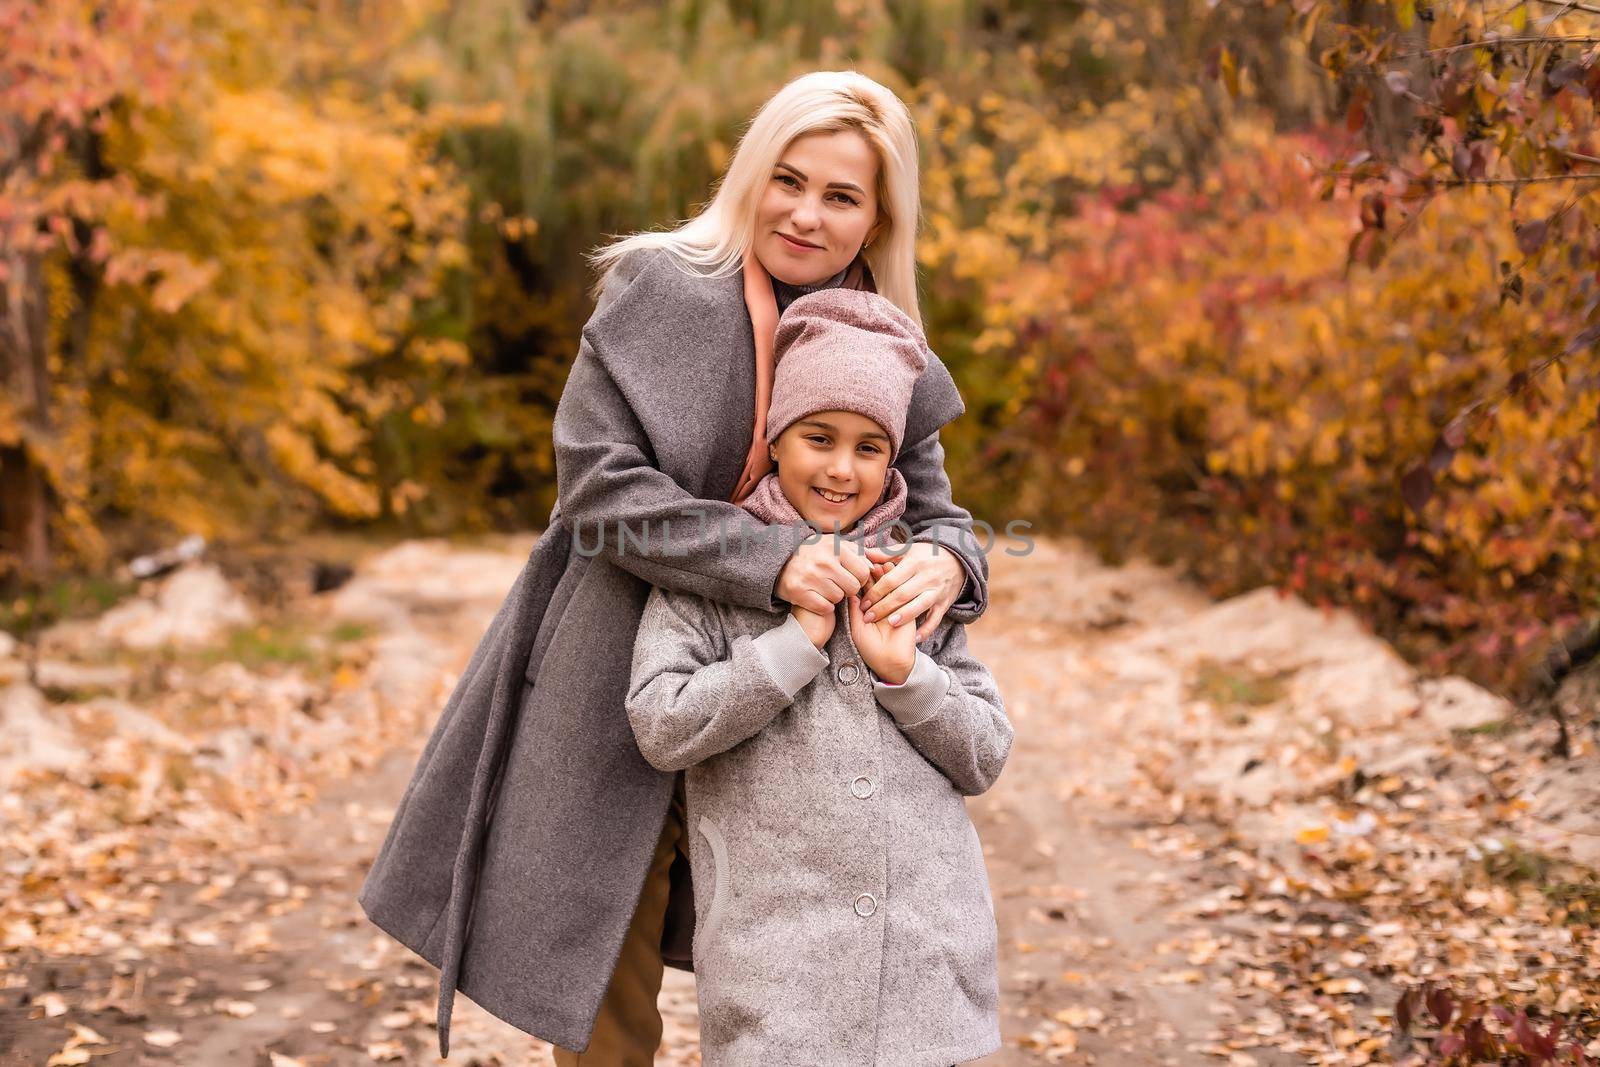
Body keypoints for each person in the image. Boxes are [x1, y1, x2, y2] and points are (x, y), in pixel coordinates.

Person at [357, 69, 992, 1063]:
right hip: (616, 680)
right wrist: (780, 561)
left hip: (797, 723)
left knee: (793, 998)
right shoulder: (662, 284)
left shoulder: (881, 331)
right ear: (752, 173)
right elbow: (599, 492)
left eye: (841, 196)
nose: (806, 214)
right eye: (789, 179)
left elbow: (939, 509)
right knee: (605, 992)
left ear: (877, 217)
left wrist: (951, 565)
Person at [626, 288, 1012, 1066]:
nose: (842, 468)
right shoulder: (713, 578)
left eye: (870, 447)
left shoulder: (911, 580)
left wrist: (909, 677)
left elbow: (986, 751)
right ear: (775, 439)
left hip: (925, 960)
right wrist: (792, 646)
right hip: (775, 970)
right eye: (819, 438)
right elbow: (662, 724)